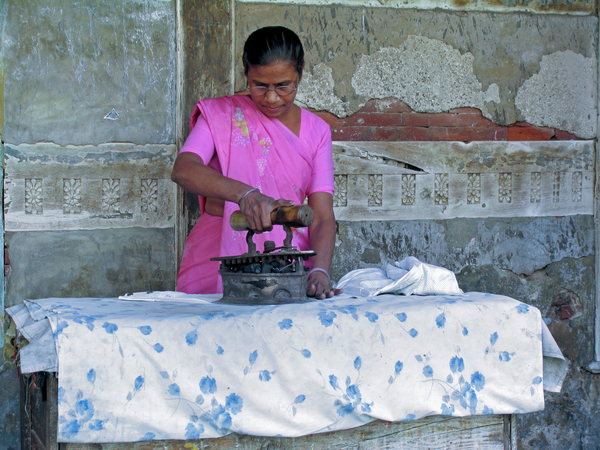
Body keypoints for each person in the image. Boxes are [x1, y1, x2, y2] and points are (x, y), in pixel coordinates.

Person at [171, 26, 343, 300]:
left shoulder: (317, 131)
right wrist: (245, 195)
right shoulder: (222, 114)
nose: (272, 98)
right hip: (214, 259)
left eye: (283, 86)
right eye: (260, 85)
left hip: (286, 267)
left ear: (300, 72)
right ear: (246, 74)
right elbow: (184, 169)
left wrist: (319, 271)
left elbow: (321, 216)